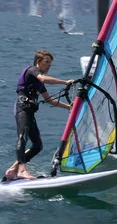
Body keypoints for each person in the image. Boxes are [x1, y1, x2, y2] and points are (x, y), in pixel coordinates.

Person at [4, 50, 74, 181]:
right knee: (22, 137)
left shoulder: (39, 83)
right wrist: (65, 82)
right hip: (22, 108)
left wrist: (69, 107)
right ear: (38, 62)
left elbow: (49, 100)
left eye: (50, 64)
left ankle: (13, 169)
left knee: (37, 146)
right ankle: (22, 170)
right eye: (46, 62)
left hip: (30, 112)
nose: (48, 66)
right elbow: (43, 78)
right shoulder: (32, 70)